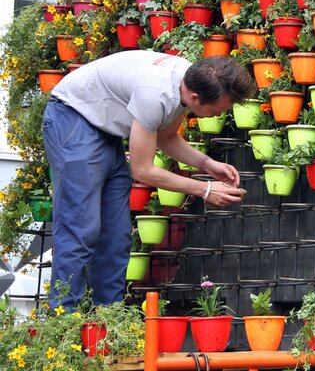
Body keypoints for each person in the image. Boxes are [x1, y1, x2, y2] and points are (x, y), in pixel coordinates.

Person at [41, 50, 257, 308]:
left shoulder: (187, 81)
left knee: (116, 237)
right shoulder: (155, 94)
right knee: (80, 227)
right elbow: (142, 170)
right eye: (215, 111)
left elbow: (165, 137)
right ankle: (65, 321)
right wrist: (205, 189)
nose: (217, 116)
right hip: (73, 118)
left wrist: (207, 164)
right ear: (195, 97)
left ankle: (107, 320)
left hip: (105, 131)